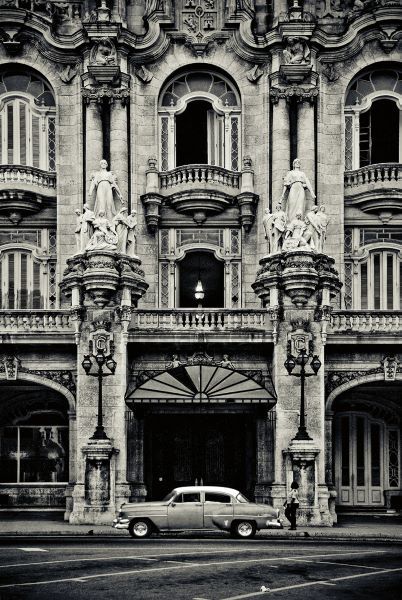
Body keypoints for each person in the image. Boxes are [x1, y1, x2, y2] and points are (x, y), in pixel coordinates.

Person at [280, 158, 316, 224]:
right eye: (296, 162)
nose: (297, 163)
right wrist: (282, 195)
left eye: (299, 162)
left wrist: (311, 192)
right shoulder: (291, 173)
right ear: (293, 164)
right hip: (293, 188)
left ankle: (300, 223)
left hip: (301, 189)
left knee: (300, 205)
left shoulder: (302, 173)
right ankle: (291, 223)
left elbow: (307, 182)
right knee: (292, 205)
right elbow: (286, 184)